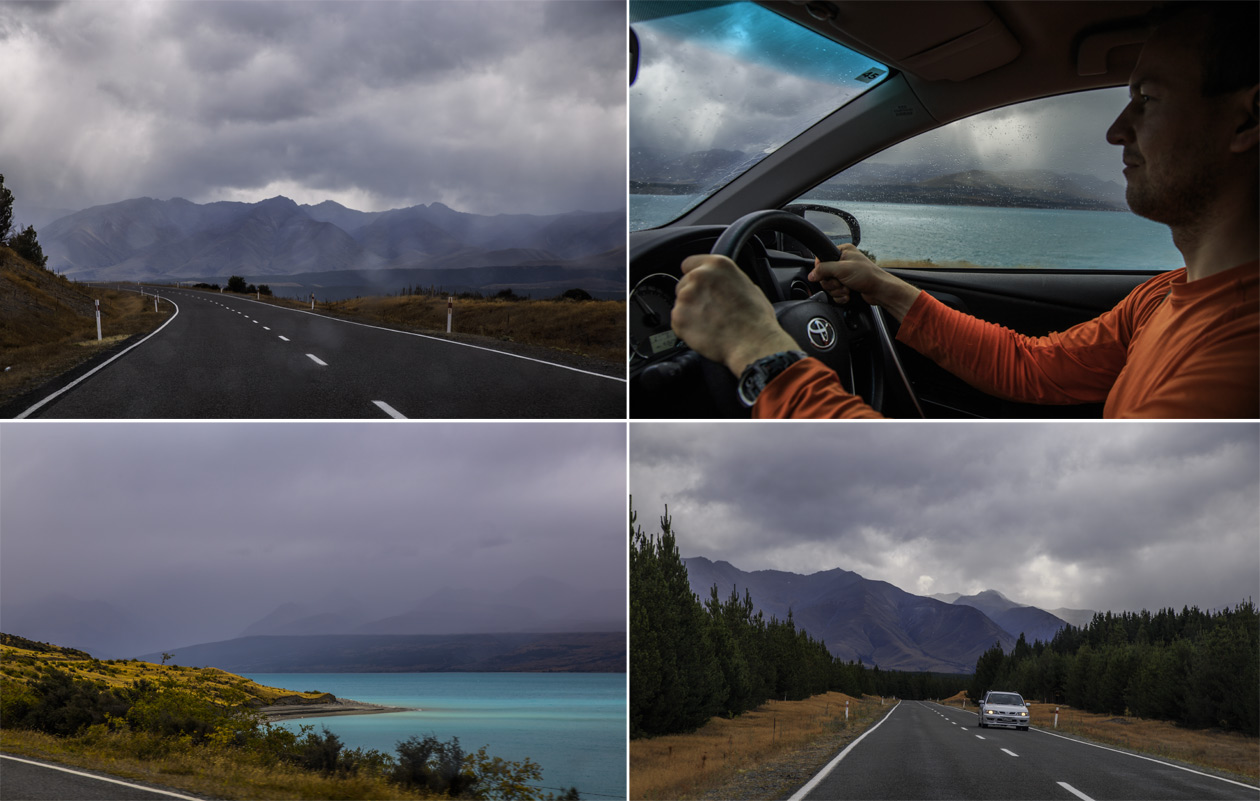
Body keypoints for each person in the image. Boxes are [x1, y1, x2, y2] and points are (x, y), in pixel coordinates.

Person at [670, 1, 1258, 419]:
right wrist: (886, 288)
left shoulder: (1237, 362)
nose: (1114, 131)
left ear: (1248, 120)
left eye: (1147, 100)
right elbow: (1032, 367)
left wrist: (757, 352)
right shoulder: (1165, 296)